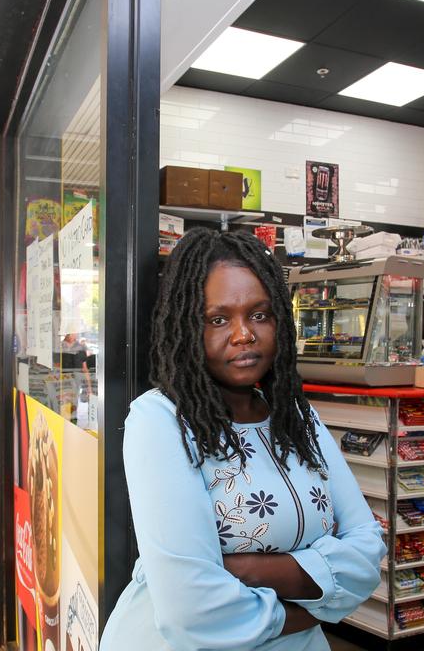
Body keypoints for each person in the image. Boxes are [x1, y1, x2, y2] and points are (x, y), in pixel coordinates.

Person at [100, 229, 386, 650]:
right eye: (218, 319)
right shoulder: (160, 420)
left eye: (260, 314)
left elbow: (366, 549)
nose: (243, 335)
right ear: (186, 326)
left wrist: (248, 570)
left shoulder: (298, 417)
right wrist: (320, 603)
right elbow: (191, 611)